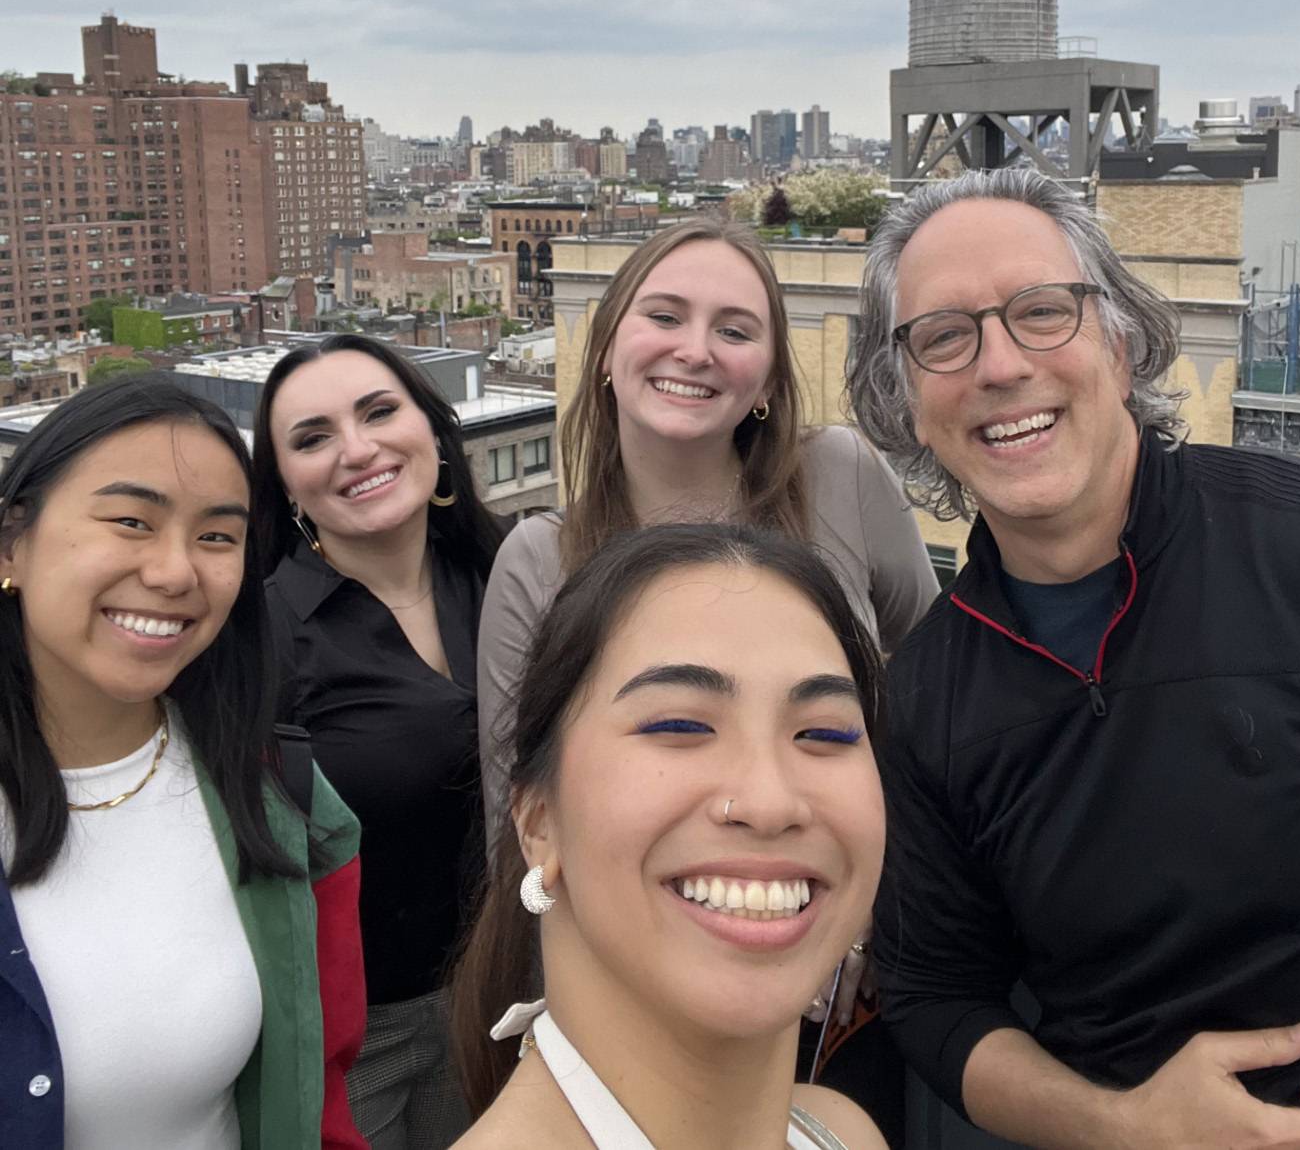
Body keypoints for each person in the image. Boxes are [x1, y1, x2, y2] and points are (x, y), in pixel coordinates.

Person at [847, 165, 1300, 1148]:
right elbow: (937, 996)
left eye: (1043, 311)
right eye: (944, 336)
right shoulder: (926, 698)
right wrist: (1123, 1124)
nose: (1001, 365)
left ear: (1122, 335)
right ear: (906, 405)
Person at [477, 215, 937, 844]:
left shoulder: (841, 474)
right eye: (664, 317)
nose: (695, 351)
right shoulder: (539, 560)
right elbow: (518, 826)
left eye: (734, 330)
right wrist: (547, 930)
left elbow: (937, 674)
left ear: (769, 380)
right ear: (608, 347)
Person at [0, 375, 367, 1150]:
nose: (175, 573)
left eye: (216, 536)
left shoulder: (283, 798)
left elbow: (317, 1092)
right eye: (132, 520)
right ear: (12, 544)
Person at [452, 521, 890, 1150]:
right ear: (538, 823)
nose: (768, 802)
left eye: (825, 733)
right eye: (681, 724)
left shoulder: (845, 1133)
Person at [253, 336, 499, 1150]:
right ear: (285, 485)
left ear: (433, 428)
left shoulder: (510, 574)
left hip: (514, 999)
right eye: (312, 437)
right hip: (361, 1039)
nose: (357, 449)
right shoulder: (262, 637)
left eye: (379, 411)